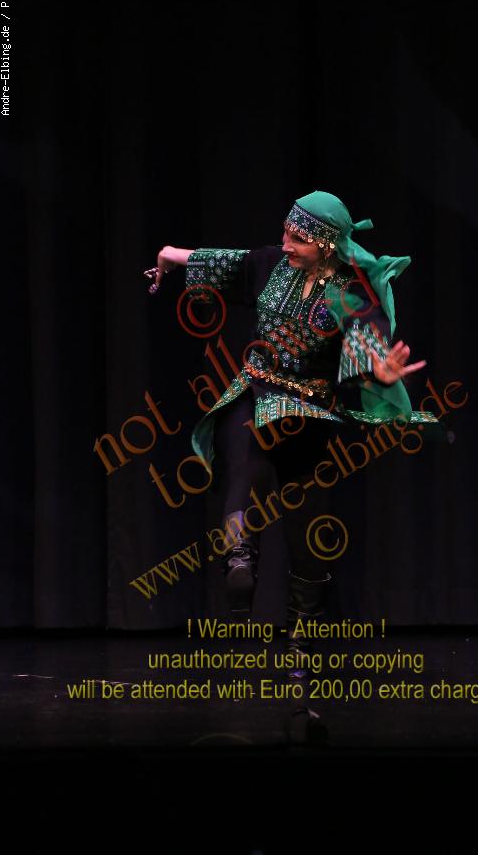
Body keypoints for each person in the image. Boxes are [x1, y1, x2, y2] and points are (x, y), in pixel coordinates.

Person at [144, 191, 437, 673]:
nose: (285, 244)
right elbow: (221, 261)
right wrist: (169, 256)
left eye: (297, 238)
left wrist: (378, 370)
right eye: (285, 232)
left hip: (309, 414)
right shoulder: (269, 265)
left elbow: (366, 341)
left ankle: (303, 638)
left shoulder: (348, 293)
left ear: (326, 244)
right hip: (255, 390)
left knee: (306, 535)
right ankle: (239, 557)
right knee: (243, 458)